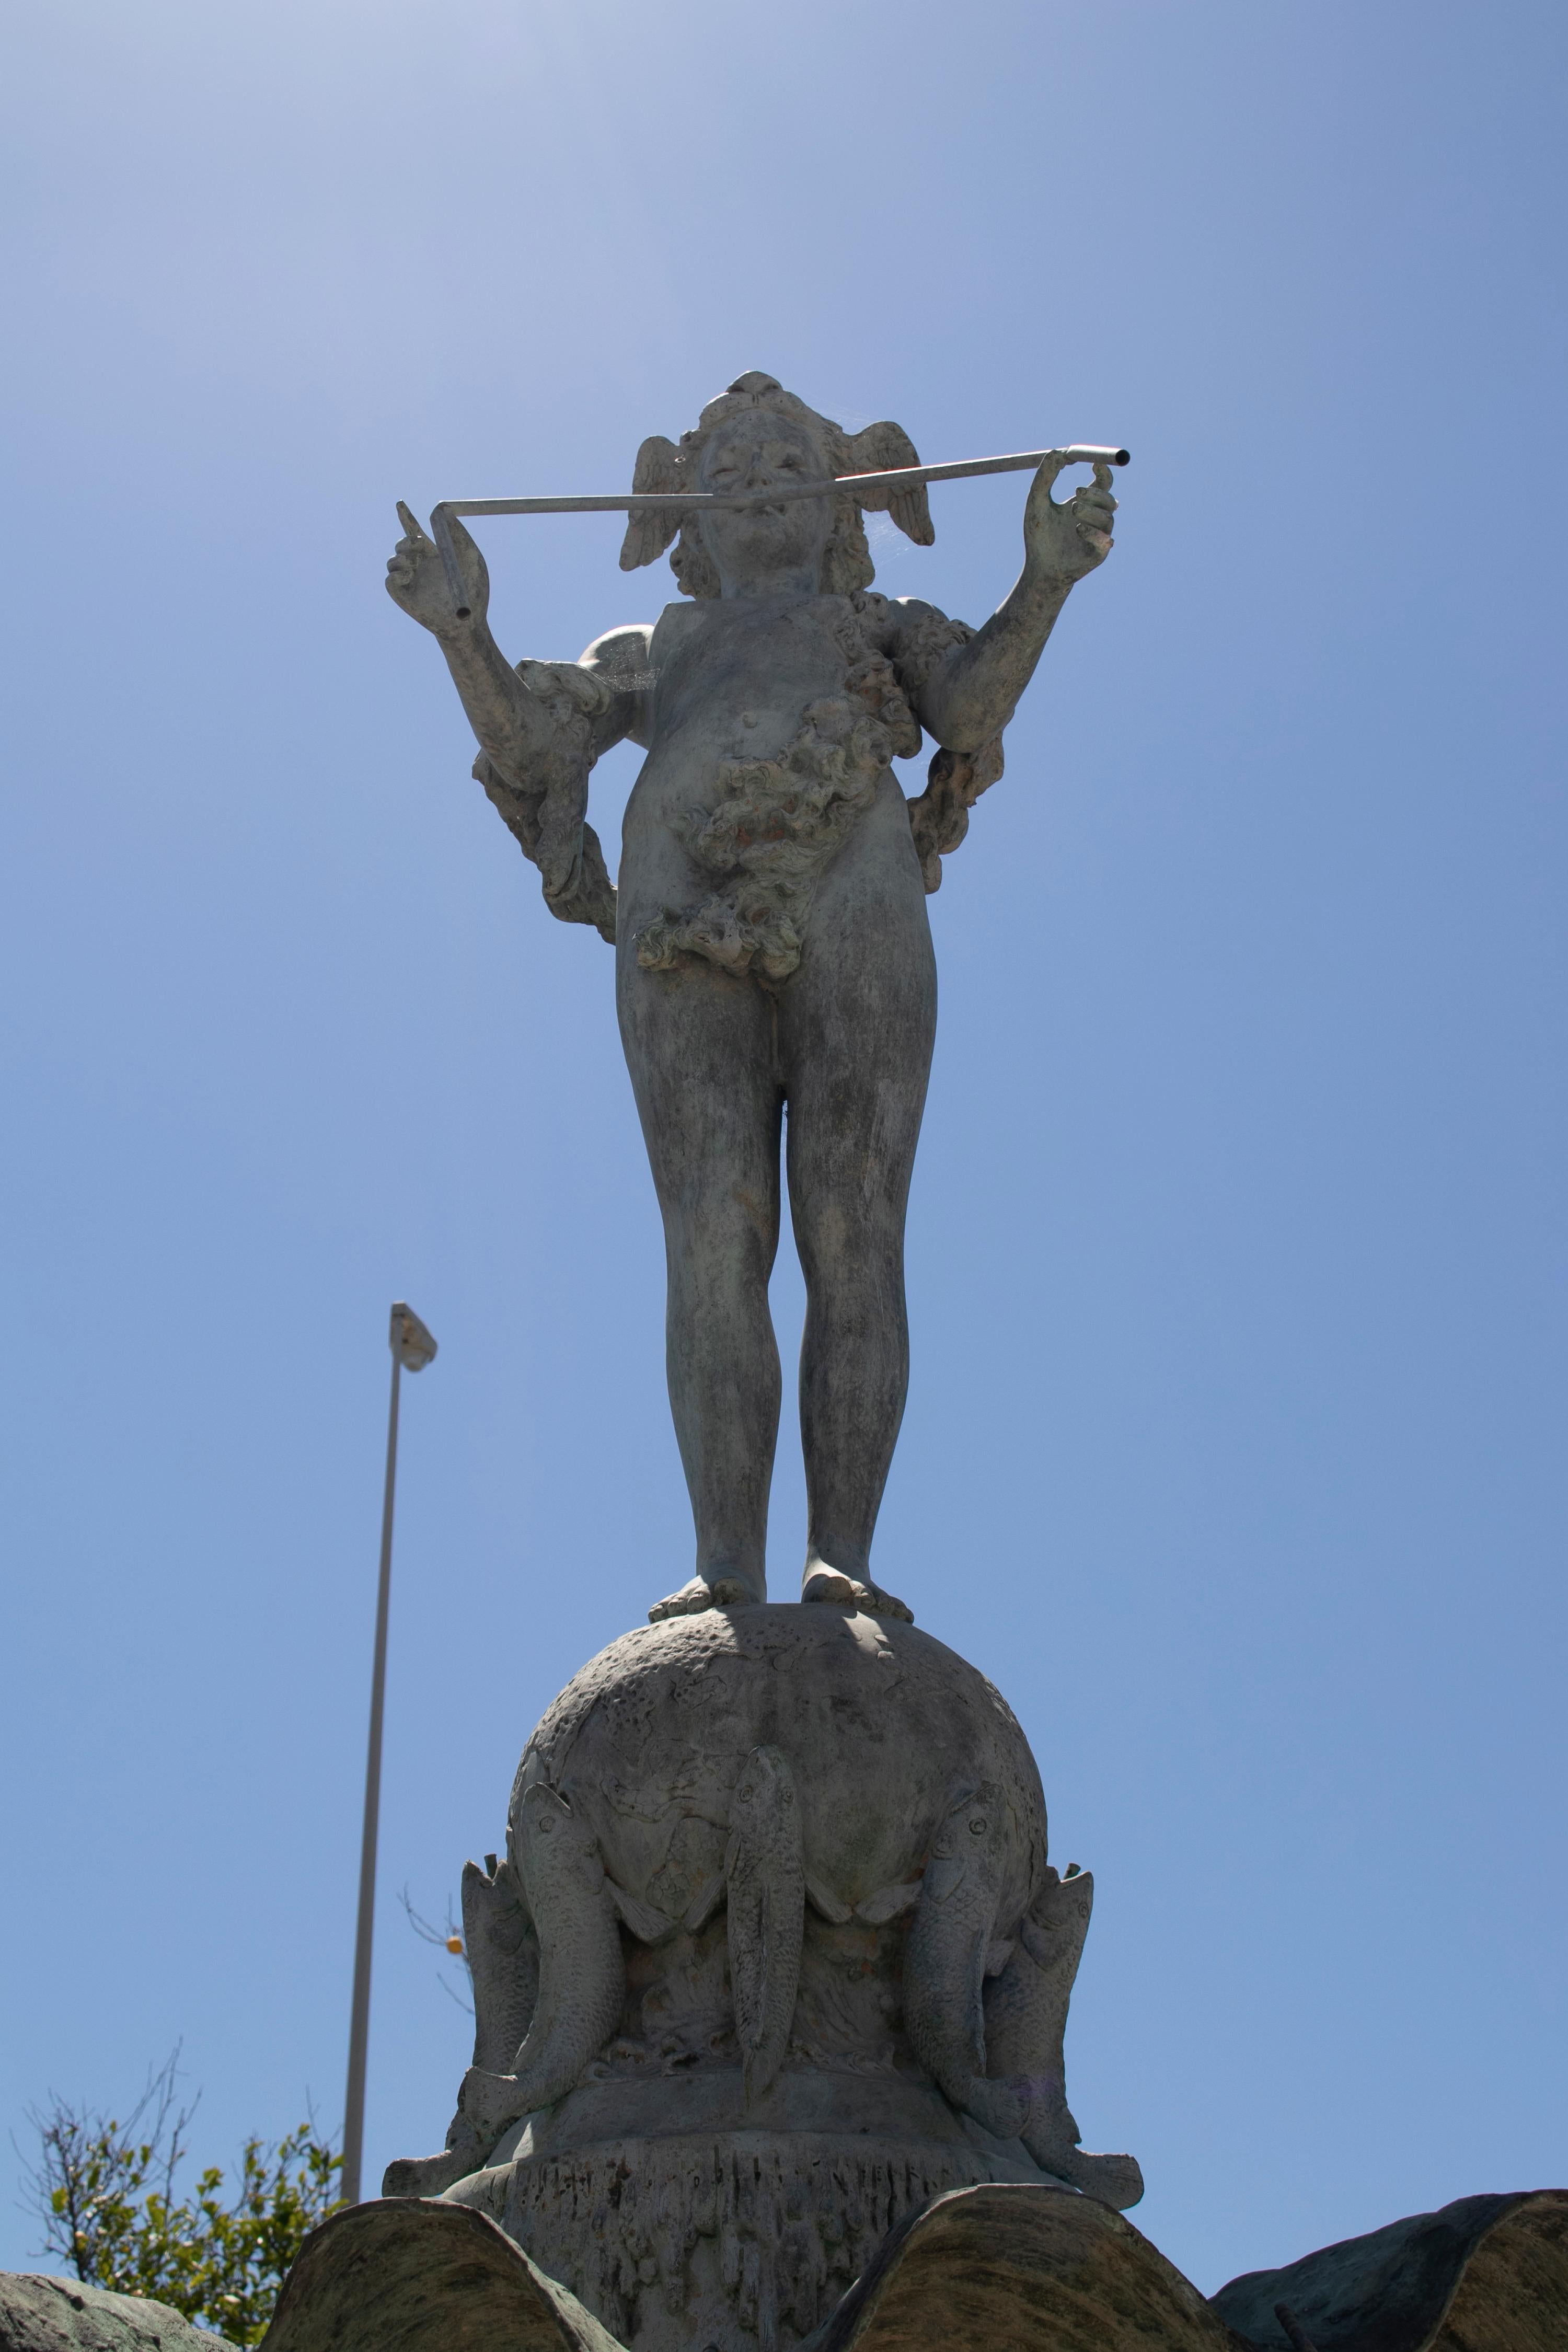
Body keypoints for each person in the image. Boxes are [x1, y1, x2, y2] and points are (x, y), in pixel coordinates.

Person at [385, 373, 1117, 1624]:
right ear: (685, 520)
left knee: (854, 1231)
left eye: (785, 460)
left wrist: (1045, 577)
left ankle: (845, 1554)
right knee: (714, 1241)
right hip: (680, 924)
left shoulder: (883, 627)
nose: (756, 480)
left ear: (845, 498)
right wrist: (462, 635)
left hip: (859, 902)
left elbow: (971, 702)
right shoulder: (656, 649)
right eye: (724, 474)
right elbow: (532, 743)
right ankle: (727, 1554)